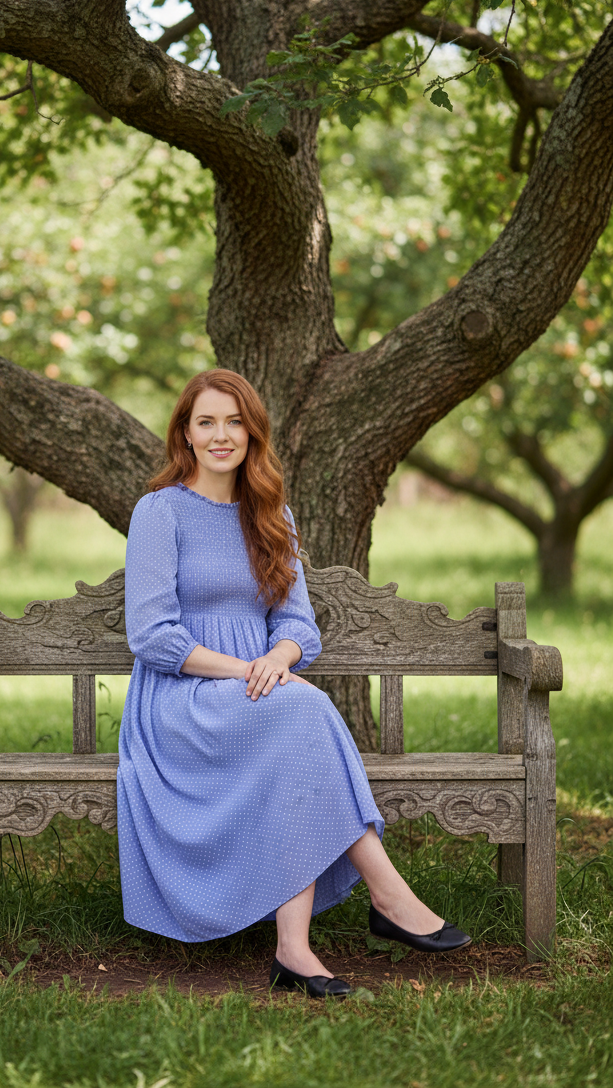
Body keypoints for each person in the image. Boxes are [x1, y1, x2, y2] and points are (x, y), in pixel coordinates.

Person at [118, 369, 470, 997]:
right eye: (207, 422)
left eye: (234, 422)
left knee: (295, 722)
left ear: (253, 433)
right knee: (299, 711)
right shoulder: (159, 510)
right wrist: (249, 669)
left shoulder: (270, 513)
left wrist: (277, 657)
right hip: (182, 700)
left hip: (263, 694)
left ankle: (295, 948)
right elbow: (150, 634)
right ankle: (387, 897)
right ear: (186, 434)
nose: (221, 435)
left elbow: (298, 624)